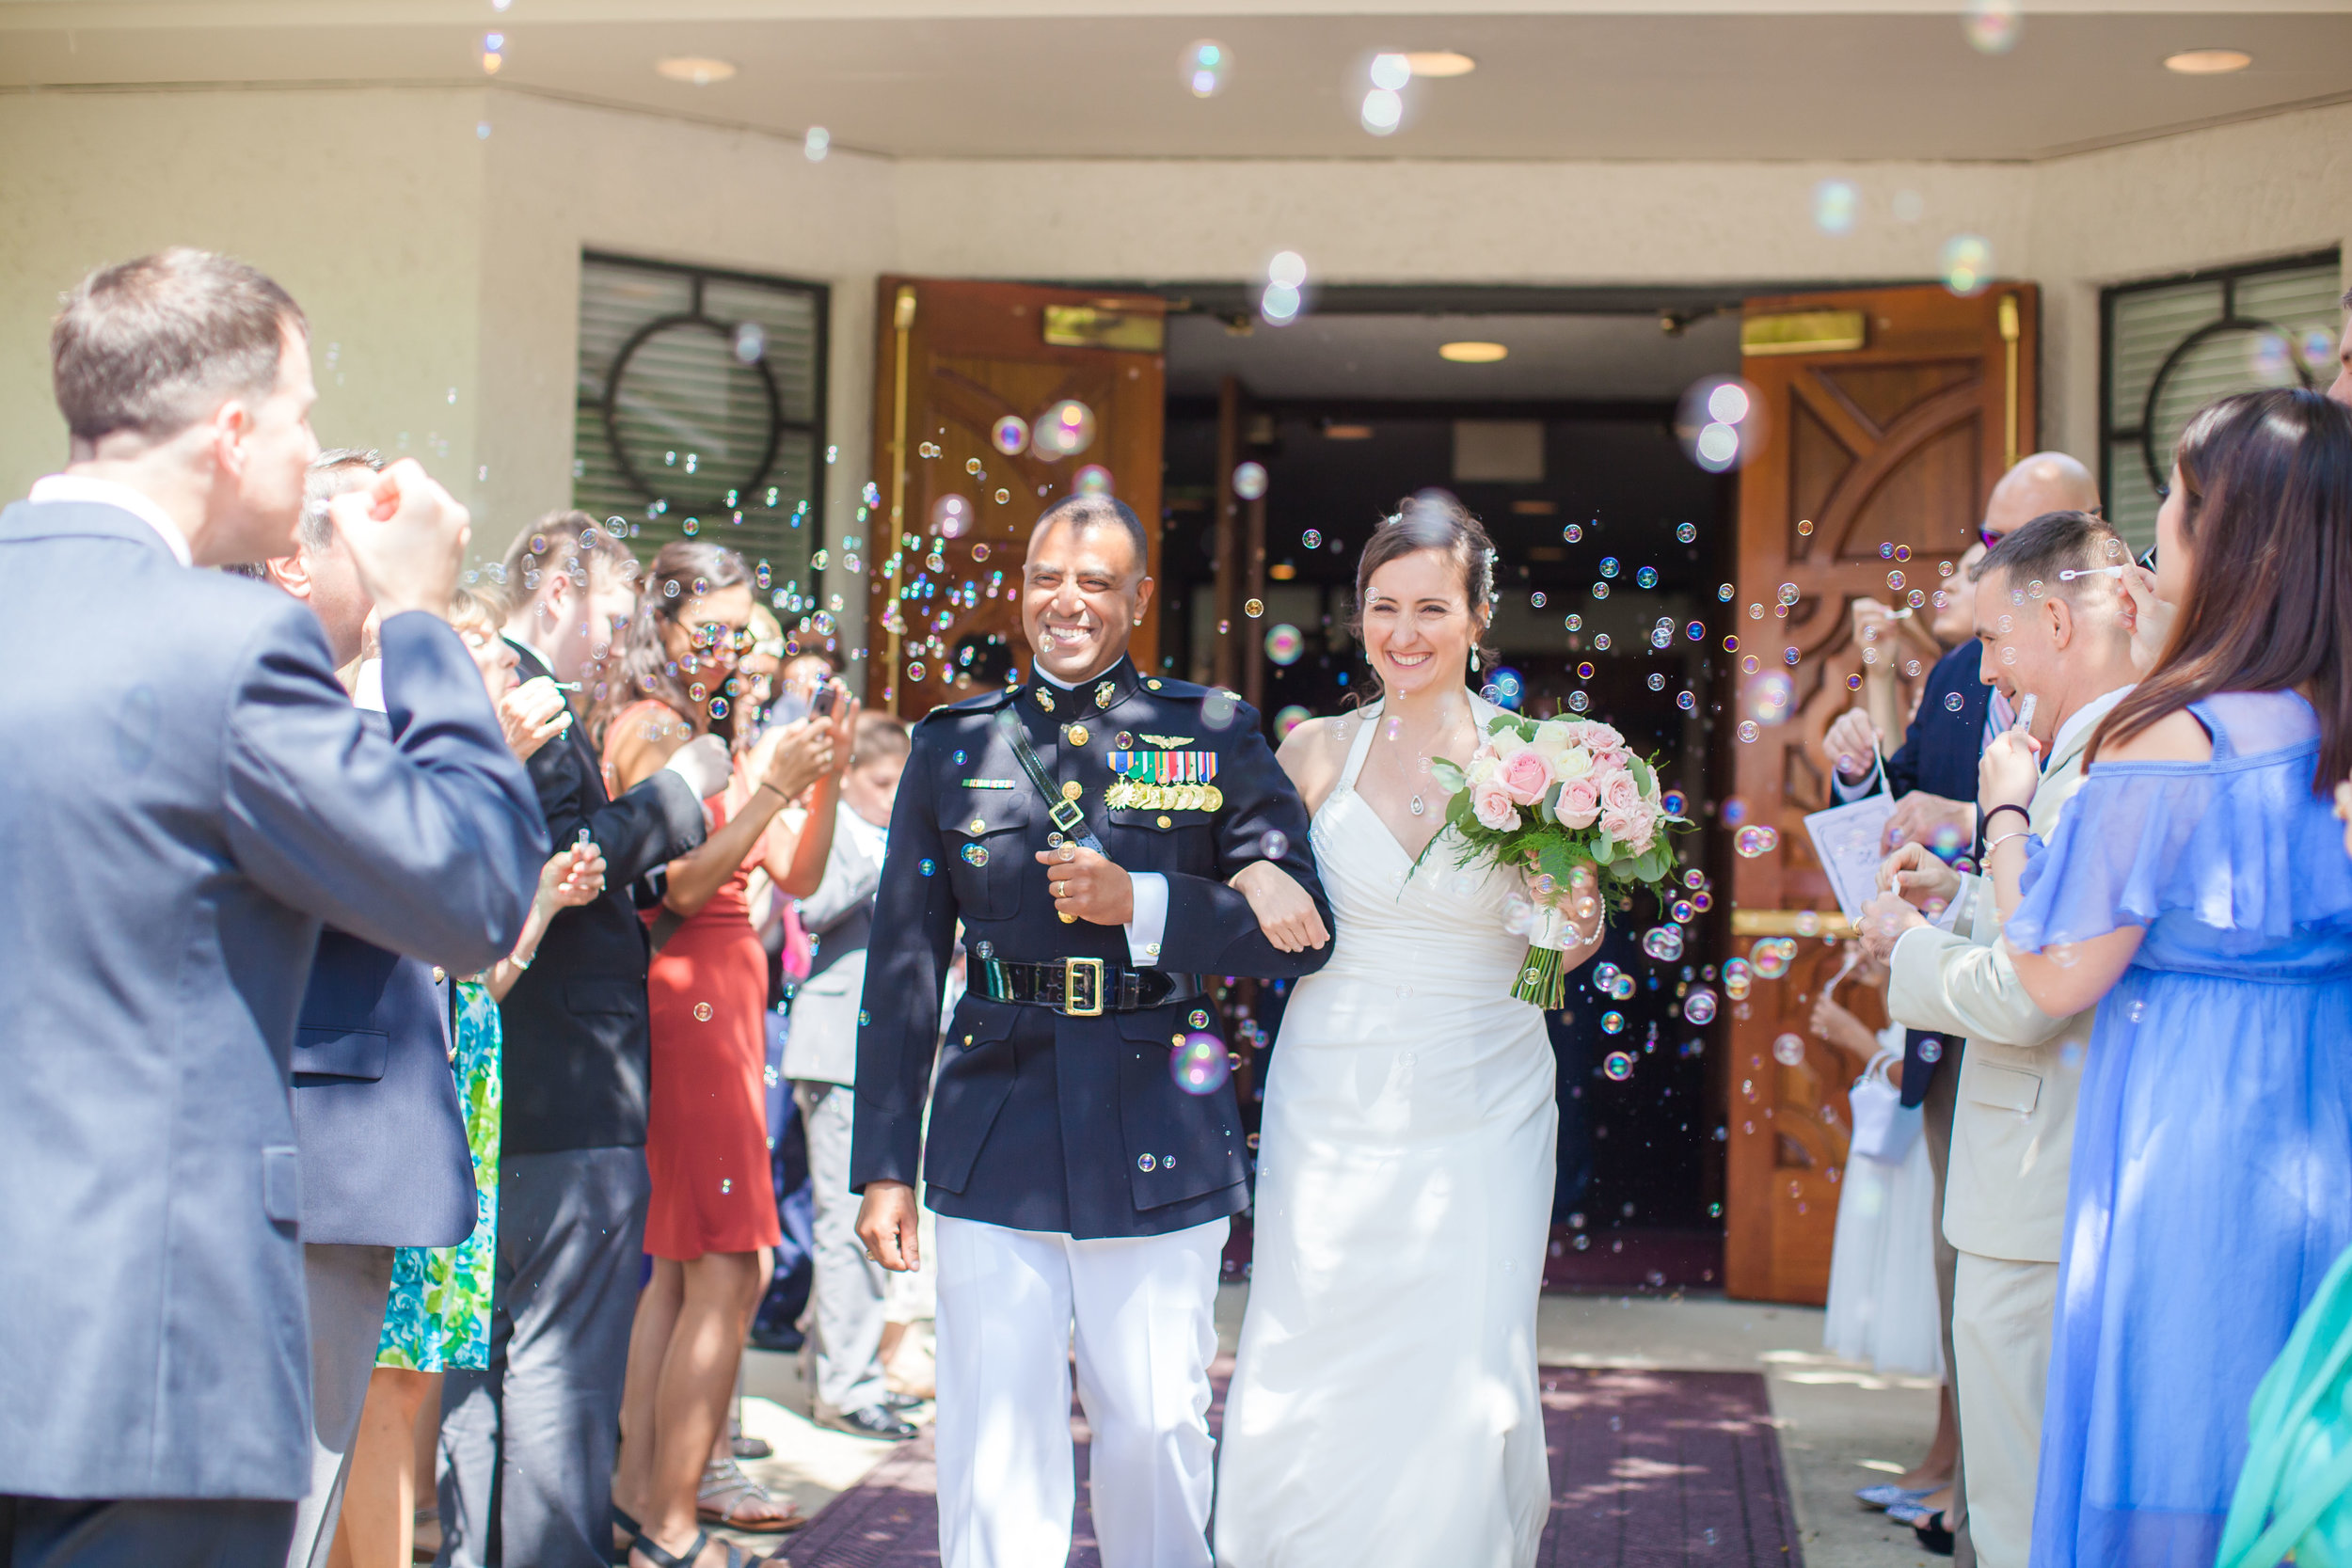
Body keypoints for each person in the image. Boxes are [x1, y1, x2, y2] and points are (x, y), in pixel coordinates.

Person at [0, 247, 547, 1566]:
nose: (312, 459)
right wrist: (419, 616)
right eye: (303, 419)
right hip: (149, 1367)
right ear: (233, 429)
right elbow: (473, 889)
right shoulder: (227, 647)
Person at [852, 493, 1335, 1568]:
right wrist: (883, 1163)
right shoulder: (952, 742)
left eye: (1096, 582)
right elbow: (903, 962)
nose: (1065, 601)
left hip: (1156, 1108)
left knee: (1157, 1422)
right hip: (995, 1114)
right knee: (994, 1431)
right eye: (1045, 578)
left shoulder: (1213, 731)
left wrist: (1147, 903)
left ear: (1140, 597)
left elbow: (1304, 934)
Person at [1983, 388, 2352, 1566]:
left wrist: (2004, 815)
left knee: (2186, 1422)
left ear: (2226, 539)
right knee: (2303, 1439)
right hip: (2327, 1110)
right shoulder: (2325, 723)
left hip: (2197, 1132)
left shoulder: (2170, 737)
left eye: (2174, 510)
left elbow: (2054, 971)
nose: (2154, 544)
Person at [1213, 494, 1604, 1568]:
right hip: (1331, 1082)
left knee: (1466, 1340)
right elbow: (1231, 866)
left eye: (1433, 607)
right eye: (1384, 606)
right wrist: (1251, 872)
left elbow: (1551, 960)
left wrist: (1566, 926)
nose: (1405, 632)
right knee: (1317, 1326)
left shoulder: (1542, 761)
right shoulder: (1312, 751)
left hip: (1486, 1085)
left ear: (1479, 616)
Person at [224, 452, 553, 1568]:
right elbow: (474, 896)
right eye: (367, 529)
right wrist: (421, 624)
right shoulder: (282, 707)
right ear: (292, 559)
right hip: (304, 1162)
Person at [1815, 449, 2101, 1558]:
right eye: (1984, 535)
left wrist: (1971, 842)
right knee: (1966, 1274)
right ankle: (1961, 1477)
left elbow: (2042, 935)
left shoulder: (2109, 723)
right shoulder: (1959, 674)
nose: (1986, 555)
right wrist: (1868, 761)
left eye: (2008, 540)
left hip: (2035, 1041)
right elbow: (1899, 798)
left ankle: (1986, 1498)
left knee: (2017, 1309)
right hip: (1963, 1012)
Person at [438, 513, 727, 1568]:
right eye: (609, 611)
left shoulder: (506, 698)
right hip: (562, 1078)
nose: (616, 640)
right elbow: (557, 861)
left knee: (484, 1365)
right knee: (561, 1368)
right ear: (558, 589)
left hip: (505, 1082)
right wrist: (681, 789)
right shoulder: (527, 702)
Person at [1859, 509, 2145, 1568]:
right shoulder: (2084, 749)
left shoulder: (2094, 766)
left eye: (1993, 638)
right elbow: (2046, 926)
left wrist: (1909, 950)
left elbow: (2035, 991)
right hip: (2044, 1171)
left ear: (2059, 623)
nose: (1981, 670)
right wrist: (1965, 893)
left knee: (2023, 1502)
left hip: (2035, 1179)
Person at [332, 580, 605, 1568]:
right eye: (481, 647)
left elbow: (477, 972)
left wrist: (541, 907)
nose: (505, 664)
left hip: (458, 1090)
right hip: (397, 1095)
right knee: (382, 1372)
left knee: (413, 1374)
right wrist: (496, 762)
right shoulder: (387, 761)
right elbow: (418, 922)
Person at [601, 540, 853, 1568]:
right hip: (688, 1001)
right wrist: (767, 787)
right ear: (659, 624)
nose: (733, 650)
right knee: (729, 1265)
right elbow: (679, 886)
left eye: (742, 633)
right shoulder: (651, 728)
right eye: (710, 630)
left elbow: (796, 872)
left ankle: (636, 1503)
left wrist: (818, 775)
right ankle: (669, 1522)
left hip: (730, 1003)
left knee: (683, 1270)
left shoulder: (714, 732)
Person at [787, 713, 919, 1440]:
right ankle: (847, 1385)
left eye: (902, 782)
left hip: (891, 1045)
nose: (893, 795)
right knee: (846, 1221)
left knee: (872, 1217)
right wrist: (887, 859)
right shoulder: (830, 826)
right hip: (838, 1046)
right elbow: (809, 907)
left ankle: (837, 1368)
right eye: (881, 782)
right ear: (846, 779)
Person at [1813, 956, 1944, 1392]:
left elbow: (1919, 1076)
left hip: (1923, 1139)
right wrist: (1884, 975)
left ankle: (1950, 1425)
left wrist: (1854, 1036)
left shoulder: (1938, 946)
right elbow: (1910, 1029)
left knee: (1924, 1263)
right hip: (1902, 1139)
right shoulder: (1909, 956)